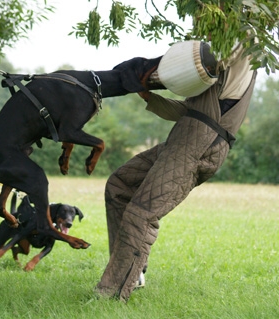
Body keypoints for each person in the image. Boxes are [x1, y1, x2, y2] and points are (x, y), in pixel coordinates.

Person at [94, 41, 257, 301]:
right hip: (184, 136)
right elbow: (187, 111)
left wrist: (160, 71)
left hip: (202, 143)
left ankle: (111, 293)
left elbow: (225, 50)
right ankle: (132, 271)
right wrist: (148, 95)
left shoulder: (246, 55)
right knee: (119, 185)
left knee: (142, 213)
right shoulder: (211, 79)